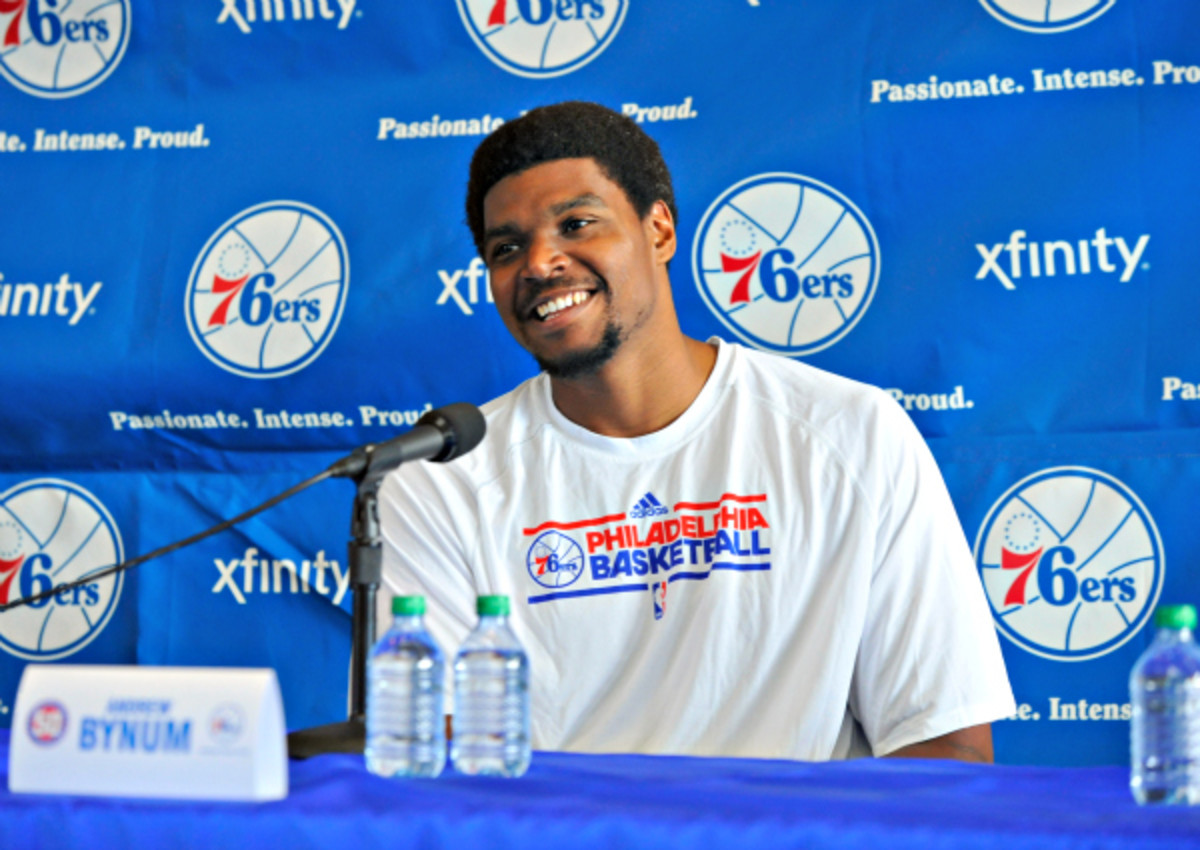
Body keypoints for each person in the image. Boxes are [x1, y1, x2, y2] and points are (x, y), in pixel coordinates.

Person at [379, 101, 1015, 762]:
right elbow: (439, 767)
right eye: (506, 248)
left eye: (576, 223)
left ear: (659, 231)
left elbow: (942, 747)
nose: (540, 262)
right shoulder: (440, 481)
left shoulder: (851, 433)